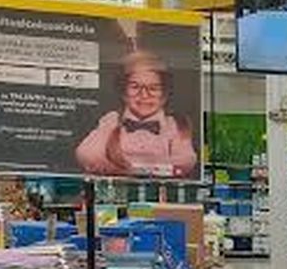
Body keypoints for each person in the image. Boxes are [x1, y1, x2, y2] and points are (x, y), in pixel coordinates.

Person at [76, 51, 198, 179]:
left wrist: (140, 168)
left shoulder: (175, 125)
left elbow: (186, 161)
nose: (144, 95)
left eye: (153, 88)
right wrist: (116, 169)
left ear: (164, 94)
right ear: (123, 92)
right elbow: (86, 153)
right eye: (135, 87)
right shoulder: (112, 120)